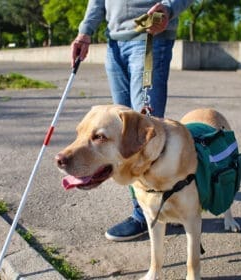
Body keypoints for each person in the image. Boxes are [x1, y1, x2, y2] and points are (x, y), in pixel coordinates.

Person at [71, 0, 194, 242]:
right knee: (123, 134)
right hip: (115, 41)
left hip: (150, 35)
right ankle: (160, 206)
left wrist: (168, 8)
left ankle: (146, 214)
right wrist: (85, 32)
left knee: (143, 132)